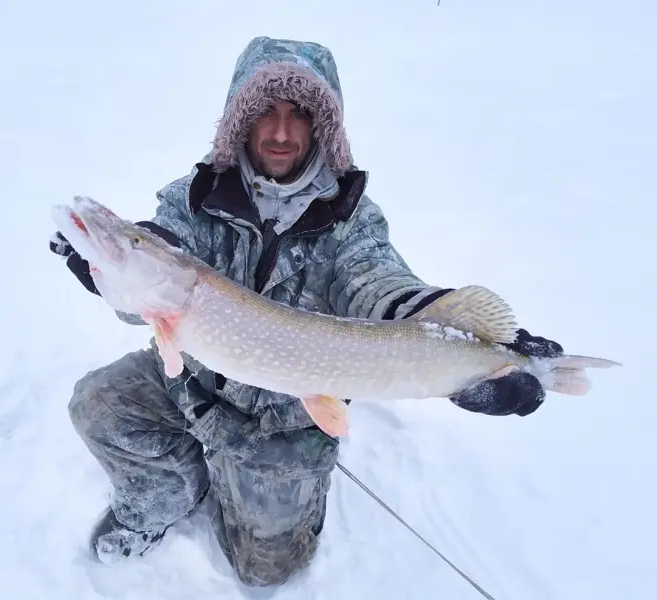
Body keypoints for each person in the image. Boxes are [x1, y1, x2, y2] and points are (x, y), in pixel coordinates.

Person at [49, 36, 563, 587]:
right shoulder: (194, 197)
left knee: (263, 568)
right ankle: (169, 489)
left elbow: (379, 283)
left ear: (322, 127)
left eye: (299, 114)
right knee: (99, 404)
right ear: (240, 121)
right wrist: (116, 265)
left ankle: (282, 492)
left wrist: (444, 322)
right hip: (193, 385)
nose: (280, 131)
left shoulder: (350, 220)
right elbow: (157, 265)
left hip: (288, 412)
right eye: (265, 111)